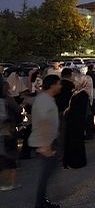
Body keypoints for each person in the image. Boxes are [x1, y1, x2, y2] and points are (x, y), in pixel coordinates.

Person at [29, 74, 62, 208]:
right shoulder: (44, 100)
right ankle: (40, 202)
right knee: (45, 173)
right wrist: (44, 145)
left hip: (48, 140)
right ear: (53, 85)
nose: (60, 86)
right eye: (58, 83)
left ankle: (42, 200)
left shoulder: (46, 98)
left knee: (48, 171)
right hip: (44, 143)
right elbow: (42, 122)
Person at [63, 75, 91, 169]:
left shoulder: (83, 94)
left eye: (76, 82)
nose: (74, 83)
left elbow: (78, 110)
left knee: (76, 142)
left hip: (77, 122)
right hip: (73, 121)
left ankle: (77, 162)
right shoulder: (77, 93)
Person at [0, 76, 21, 191]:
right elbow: (17, 110)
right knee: (8, 159)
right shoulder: (6, 100)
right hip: (6, 133)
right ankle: (7, 184)